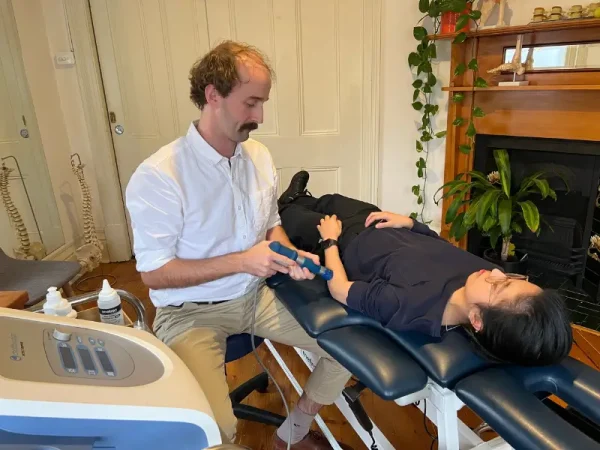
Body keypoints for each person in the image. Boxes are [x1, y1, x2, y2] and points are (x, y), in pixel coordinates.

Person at [125, 41, 354, 450]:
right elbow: (154, 272)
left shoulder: (259, 156)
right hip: (189, 312)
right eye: (251, 103)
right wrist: (244, 262)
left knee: (350, 349)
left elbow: (270, 224)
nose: (260, 116)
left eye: (262, 103)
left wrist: (288, 254)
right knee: (212, 432)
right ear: (213, 95)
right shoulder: (159, 176)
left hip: (257, 296)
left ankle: (292, 432)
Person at [277, 170, 574, 367]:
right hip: (380, 224)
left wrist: (329, 241)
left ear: (476, 320)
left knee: (290, 218)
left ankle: (288, 203)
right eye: (509, 277)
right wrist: (411, 224)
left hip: (344, 242)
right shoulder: (480, 278)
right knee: (330, 200)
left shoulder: (411, 306)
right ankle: (303, 198)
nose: (496, 273)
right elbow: (441, 250)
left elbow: (340, 289)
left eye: (499, 286)